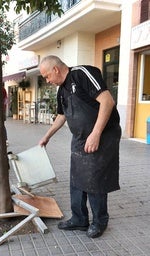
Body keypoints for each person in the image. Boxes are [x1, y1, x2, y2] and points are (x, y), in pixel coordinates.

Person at [38, 55, 121, 238]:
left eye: (46, 76)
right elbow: (62, 116)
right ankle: (79, 219)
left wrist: (96, 133)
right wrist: (46, 136)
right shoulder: (61, 91)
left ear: (56, 70)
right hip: (81, 137)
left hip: (104, 134)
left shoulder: (82, 74)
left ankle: (100, 221)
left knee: (94, 178)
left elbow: (107, 101)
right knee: (76, 177)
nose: (47, 80)